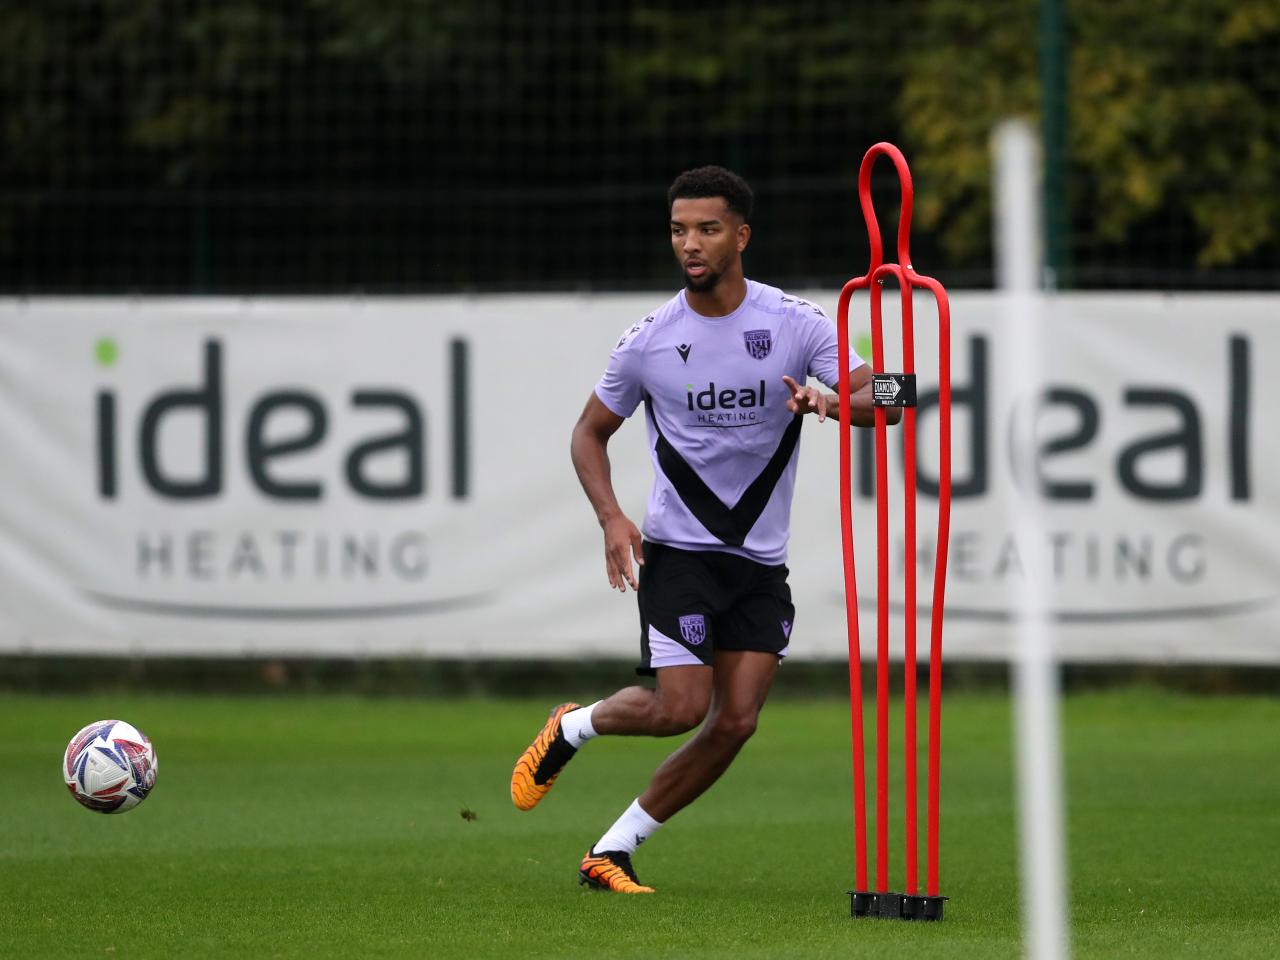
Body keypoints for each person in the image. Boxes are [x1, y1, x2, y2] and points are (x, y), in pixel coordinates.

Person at [510, 165, 898, 893]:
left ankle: (611, 851)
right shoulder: (649, 341)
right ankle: (573, 726)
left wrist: (830, 403)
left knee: (735, 723)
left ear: (741, 236)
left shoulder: (796, 324)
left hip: (759, 564)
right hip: (680, 552)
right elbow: (588, 434)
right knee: (680, 708)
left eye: (708, 229)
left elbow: (897, 394)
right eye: (679, 231)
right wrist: (612, 516)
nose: (690, 244)